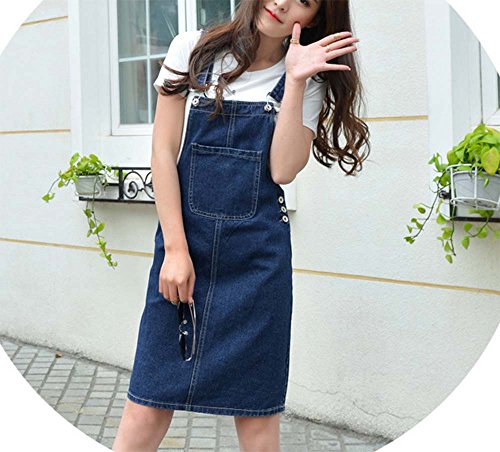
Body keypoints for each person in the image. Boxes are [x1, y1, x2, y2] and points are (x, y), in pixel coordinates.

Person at [113, 1, 369, 451]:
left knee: (256, 415)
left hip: (256, 265)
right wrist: (175, 249)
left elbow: (282, 169)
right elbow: (162, 153)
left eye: (304, 0)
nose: (282, 3)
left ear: (313, 19)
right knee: (148, 403)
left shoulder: (307, 78)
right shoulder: (191, 50)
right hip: (184, 252)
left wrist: (295, 80)